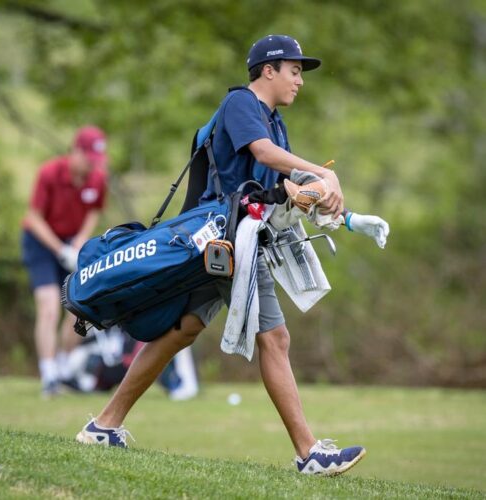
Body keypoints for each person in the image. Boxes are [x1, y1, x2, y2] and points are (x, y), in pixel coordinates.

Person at [76, 35, 383, 476]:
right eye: (294, 71)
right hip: (226, 239)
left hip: (227, 242)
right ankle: (309, 453)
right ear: (268, 70)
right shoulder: (243, 103)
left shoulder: (274, 123)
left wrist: (346, 216)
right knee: (275, 340)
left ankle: (104, 425)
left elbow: (284, 190)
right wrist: (319, 172)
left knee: (183, 330)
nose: (299, 81)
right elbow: (263, 157)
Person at [22, 125, 108, 397]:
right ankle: (48, 374)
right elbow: (34, 218)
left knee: (76, 307)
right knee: (48, 305)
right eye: (89, 160)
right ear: (76, 151)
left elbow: (94, 211)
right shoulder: (49, 173)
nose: (91, 167)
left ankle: (61, 367)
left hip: (72, 243)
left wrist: (80, 240)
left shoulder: (96, 180)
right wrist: (60, 249)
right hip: (41, 242)